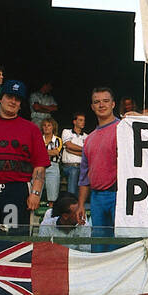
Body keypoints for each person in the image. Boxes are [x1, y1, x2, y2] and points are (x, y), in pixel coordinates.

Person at [0, 78, 49, 235]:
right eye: (9, 97)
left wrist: (35, 193)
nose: (13, 102)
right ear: (0, 98)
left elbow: (39, 165)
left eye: (17, 99)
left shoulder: (31, 129)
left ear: (21, 104)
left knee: (13, 239)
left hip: (16, 190)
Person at [77, 86, 119, 243]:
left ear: (113, 104)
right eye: (97, 102)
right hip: (96, 198)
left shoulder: (123, 129)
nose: (102, 105)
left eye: (106, 101)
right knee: (99, 245)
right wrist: (81, 204)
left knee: (120, 245)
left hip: (119, 195)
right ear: (92, 107)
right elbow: (83, 176)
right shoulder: (89, 139)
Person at [60, 112, 86, 195]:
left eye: (84, 120)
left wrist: (72, 150)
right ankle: (71, 200)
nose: (83, 122)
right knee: (74, 171)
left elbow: (87, 153)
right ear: (74, 122)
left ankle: (79, 202)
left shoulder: (86, 136)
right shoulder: (67, 132)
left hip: (82, 166)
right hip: (69, 166)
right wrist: (83, 149)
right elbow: (68, 145)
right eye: (80, 120)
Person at [39, 115, 63, 203]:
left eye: (49, 125)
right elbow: (34, 152)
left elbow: (56, 152)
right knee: (36, 193)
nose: (46, 127)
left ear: (53, 127)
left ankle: (50, 213)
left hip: (53, 166)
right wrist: (49, 151)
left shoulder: (58, 140)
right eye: (44, 125)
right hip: (39, 166)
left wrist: (41, 151)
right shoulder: (38, 139)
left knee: (52, 195)